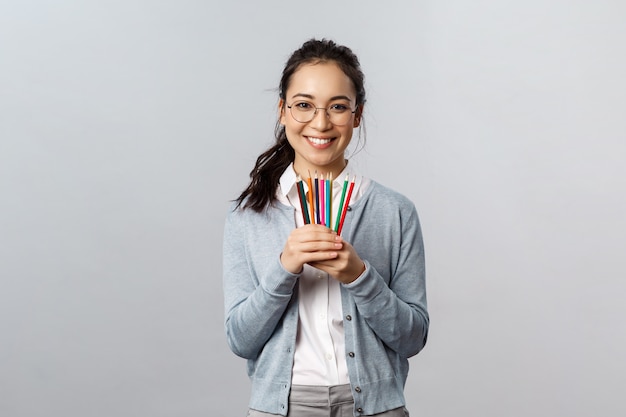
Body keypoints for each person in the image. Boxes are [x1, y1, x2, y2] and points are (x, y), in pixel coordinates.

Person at [222, 38, 429, 417]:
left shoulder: (395, 211)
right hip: (281, 407)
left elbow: (413, 338)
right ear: (282, 111)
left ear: (357, 115)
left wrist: (359, 275)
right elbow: (240, 339)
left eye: (337, 107)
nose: (320, 122)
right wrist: (284, 268)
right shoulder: (249, 217)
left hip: (376, 407)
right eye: (303, 105)